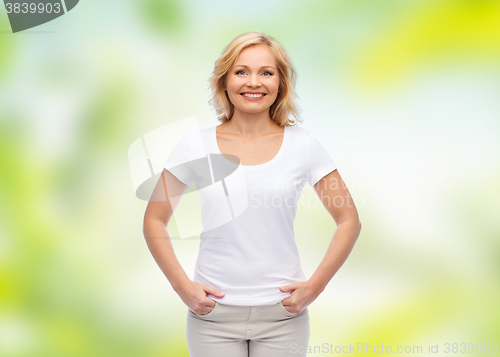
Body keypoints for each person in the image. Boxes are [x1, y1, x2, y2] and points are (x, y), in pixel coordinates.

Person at [143, 31, 362, 357]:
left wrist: (314, 287)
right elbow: (154, 220)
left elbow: (348, 220)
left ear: (280, 83)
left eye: (266, 72)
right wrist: (182, 287)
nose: (253, 82)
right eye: (241, 71)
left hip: (283, 316)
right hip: (212, 316)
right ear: (225, 81)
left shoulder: (303, 145)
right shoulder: (195, 145)